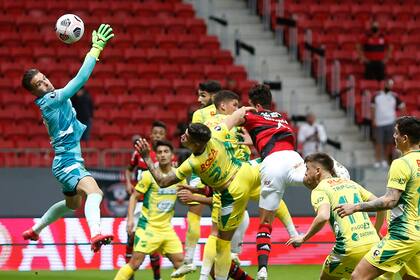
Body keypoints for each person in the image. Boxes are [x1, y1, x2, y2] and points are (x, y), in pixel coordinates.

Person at [223, 84, 350, 280]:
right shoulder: (280, 117)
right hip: (293, 160)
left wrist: (238, 114)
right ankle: (338, 172)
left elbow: (227, 123)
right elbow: (269, 135)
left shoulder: (251, 114)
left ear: (255, 104)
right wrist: (252, 139)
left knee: (265, 222)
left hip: (271, 164)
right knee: (319, 181)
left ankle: (263, 270)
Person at [20, 24, 114, 252]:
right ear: (34, 92)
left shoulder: (50, 99)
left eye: (44, 78)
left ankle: (36, 229)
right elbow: (80, 80)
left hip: (62, 163)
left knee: (73, 204)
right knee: (95, 192)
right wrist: (96, 48)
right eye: (39, 84)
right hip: (67, 162)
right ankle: (96, 233)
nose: (45, 83)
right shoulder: (51, 100)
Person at [135, 118, 260, 280]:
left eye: (187, 135)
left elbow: (163, 181)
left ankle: (200, 271)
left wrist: (146, 157)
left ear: (196, 143)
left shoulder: (193, 163)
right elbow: (240, 113)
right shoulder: (216, 135)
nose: (183, 136)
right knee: (220, 263)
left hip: (233, 205)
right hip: (240, 186)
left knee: (219, 250)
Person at [335, 116, 420, 280]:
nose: (394, 137)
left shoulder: (402, 163)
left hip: (403, 235)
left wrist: (355, 207)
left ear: (405, 138)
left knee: (358, 276)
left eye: (396, 133)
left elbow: (390, 201)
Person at [287, 152, 384, 279]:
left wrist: (303, 238)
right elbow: (381, 205)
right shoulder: (351, 183)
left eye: (307, 168)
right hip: (373, 244)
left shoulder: (320, 189)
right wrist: (376, 231)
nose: (305, 173)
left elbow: (323, 216)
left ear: (317, 170)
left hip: (349, 248)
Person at [114, 140, 186, 280]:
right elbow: (134, 196)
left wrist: (190, 197)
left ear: (172, 155)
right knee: (135, 263)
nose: (163, 155)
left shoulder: (179, 176)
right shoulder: (148, 175)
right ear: (156, 156)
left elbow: (184, 198)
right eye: (159, 152)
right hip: (148, 228)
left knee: (179, 263)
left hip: (166, 229)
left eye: (166, 152)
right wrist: (130, 220)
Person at [172, 80, 221, 276]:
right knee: (210, 213)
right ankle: (201, 262)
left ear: (214, 96)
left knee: (196, 211)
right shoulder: (228, 111)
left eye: (203, 95)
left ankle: (190, 259)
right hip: (222, 168)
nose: (198, 99)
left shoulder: (199, 115)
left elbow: (194, 141)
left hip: (205, 165)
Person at [371, 79, 406, 168]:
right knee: (378, 142)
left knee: (388, 143)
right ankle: (377, 160)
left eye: (391, 85)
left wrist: (400, 120)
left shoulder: (395, 96)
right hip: (379, 122)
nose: (390, 86)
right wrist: (373, 119)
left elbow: (402, 107)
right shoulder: (376, 95)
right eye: (388, 84)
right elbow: (372, 108)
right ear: (384, 84)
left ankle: (385, 160)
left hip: (391, 122)